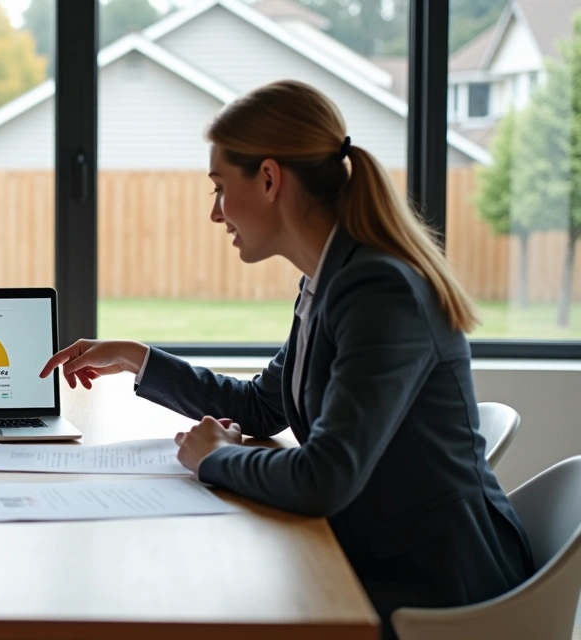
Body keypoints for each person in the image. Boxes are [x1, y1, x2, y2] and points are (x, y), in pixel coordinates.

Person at [40, 80, 533, 638]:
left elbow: (324, 477)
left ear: (270, 179)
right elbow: (262, 405)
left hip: (434, 589)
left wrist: (214, 459)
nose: (216, 213)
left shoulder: (378, 291)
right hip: (374, 553)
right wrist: (137, 358)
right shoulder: (330, 278)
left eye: (220, 188)